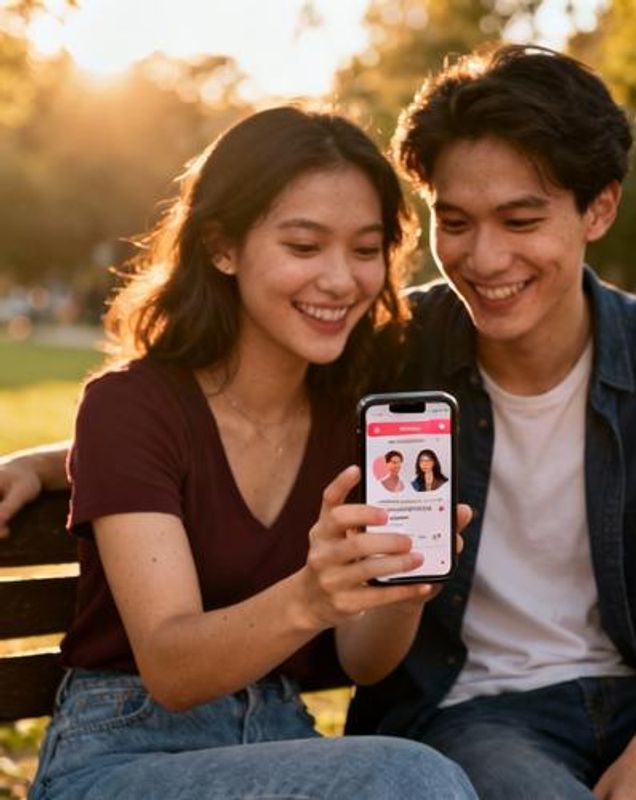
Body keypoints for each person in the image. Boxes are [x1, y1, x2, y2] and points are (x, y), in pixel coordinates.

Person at [343, 46, 636, 799]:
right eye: (453, 221)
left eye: (520, 220)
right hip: (468, 715)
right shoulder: (390, 355)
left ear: (601, 208)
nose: (483, 259)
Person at [4, 106, 477, 800]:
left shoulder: (349, 422)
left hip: (276, 746)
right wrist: (313, 595)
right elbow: (170, 665)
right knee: (410, 779)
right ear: (223, 246)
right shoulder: (132, 406)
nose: (342, 280)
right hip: (123, 760)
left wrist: (402, 593)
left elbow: (364, 662)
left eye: (366, 249)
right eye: (304, 246)